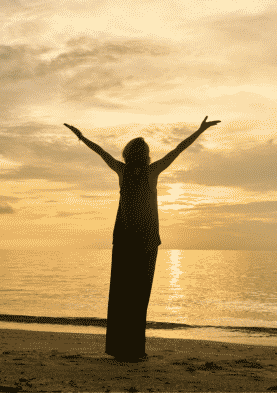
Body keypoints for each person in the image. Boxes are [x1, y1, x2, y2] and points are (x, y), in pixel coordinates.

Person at [64, 117, 220, 362]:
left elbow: (101, 152)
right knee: (138, 297)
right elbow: (178, 149)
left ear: (127, 153)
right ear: (146, 155)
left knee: (121, 295)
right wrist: (199, 131)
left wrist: (82, 137)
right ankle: (135, 350)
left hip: (125, 240)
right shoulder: (151, 171)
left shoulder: (122, 170)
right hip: (146, 241)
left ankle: (119, 349)